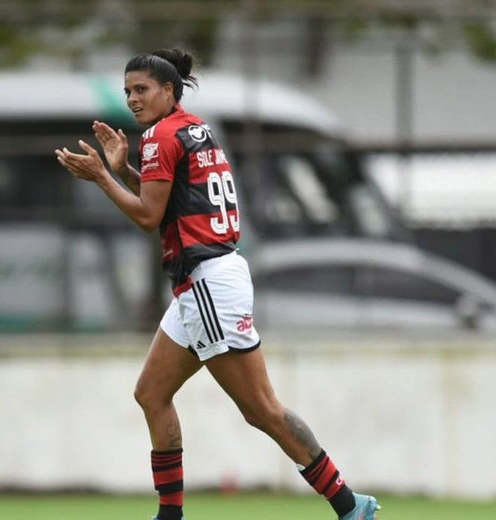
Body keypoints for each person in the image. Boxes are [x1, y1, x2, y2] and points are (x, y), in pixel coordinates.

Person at [55, 48, 380, 520]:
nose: (133, 99)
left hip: (208, 282)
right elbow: (169, 202)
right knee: (151, 393)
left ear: (169, 90)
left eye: (142, 89)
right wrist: (123, 170)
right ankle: (170, 516)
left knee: (262, 410)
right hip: (206, 279)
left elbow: (149, 217)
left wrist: (103, 177)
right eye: (128, 91)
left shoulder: (162, 136)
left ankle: (350, 506)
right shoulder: (192, 128)